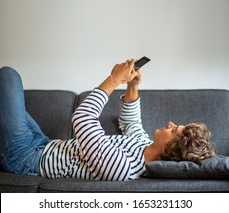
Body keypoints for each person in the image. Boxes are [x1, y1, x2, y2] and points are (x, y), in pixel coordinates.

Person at [0, 60, 215, 181]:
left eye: (174, 129)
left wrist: (114, 79)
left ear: (170, 147)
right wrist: (132, 85)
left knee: (8, 76)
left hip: (26, 158)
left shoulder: (124, 168)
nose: (170, 123)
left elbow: (83, 119)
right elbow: (131, 123)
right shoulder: (143, 145)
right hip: (43, 143)